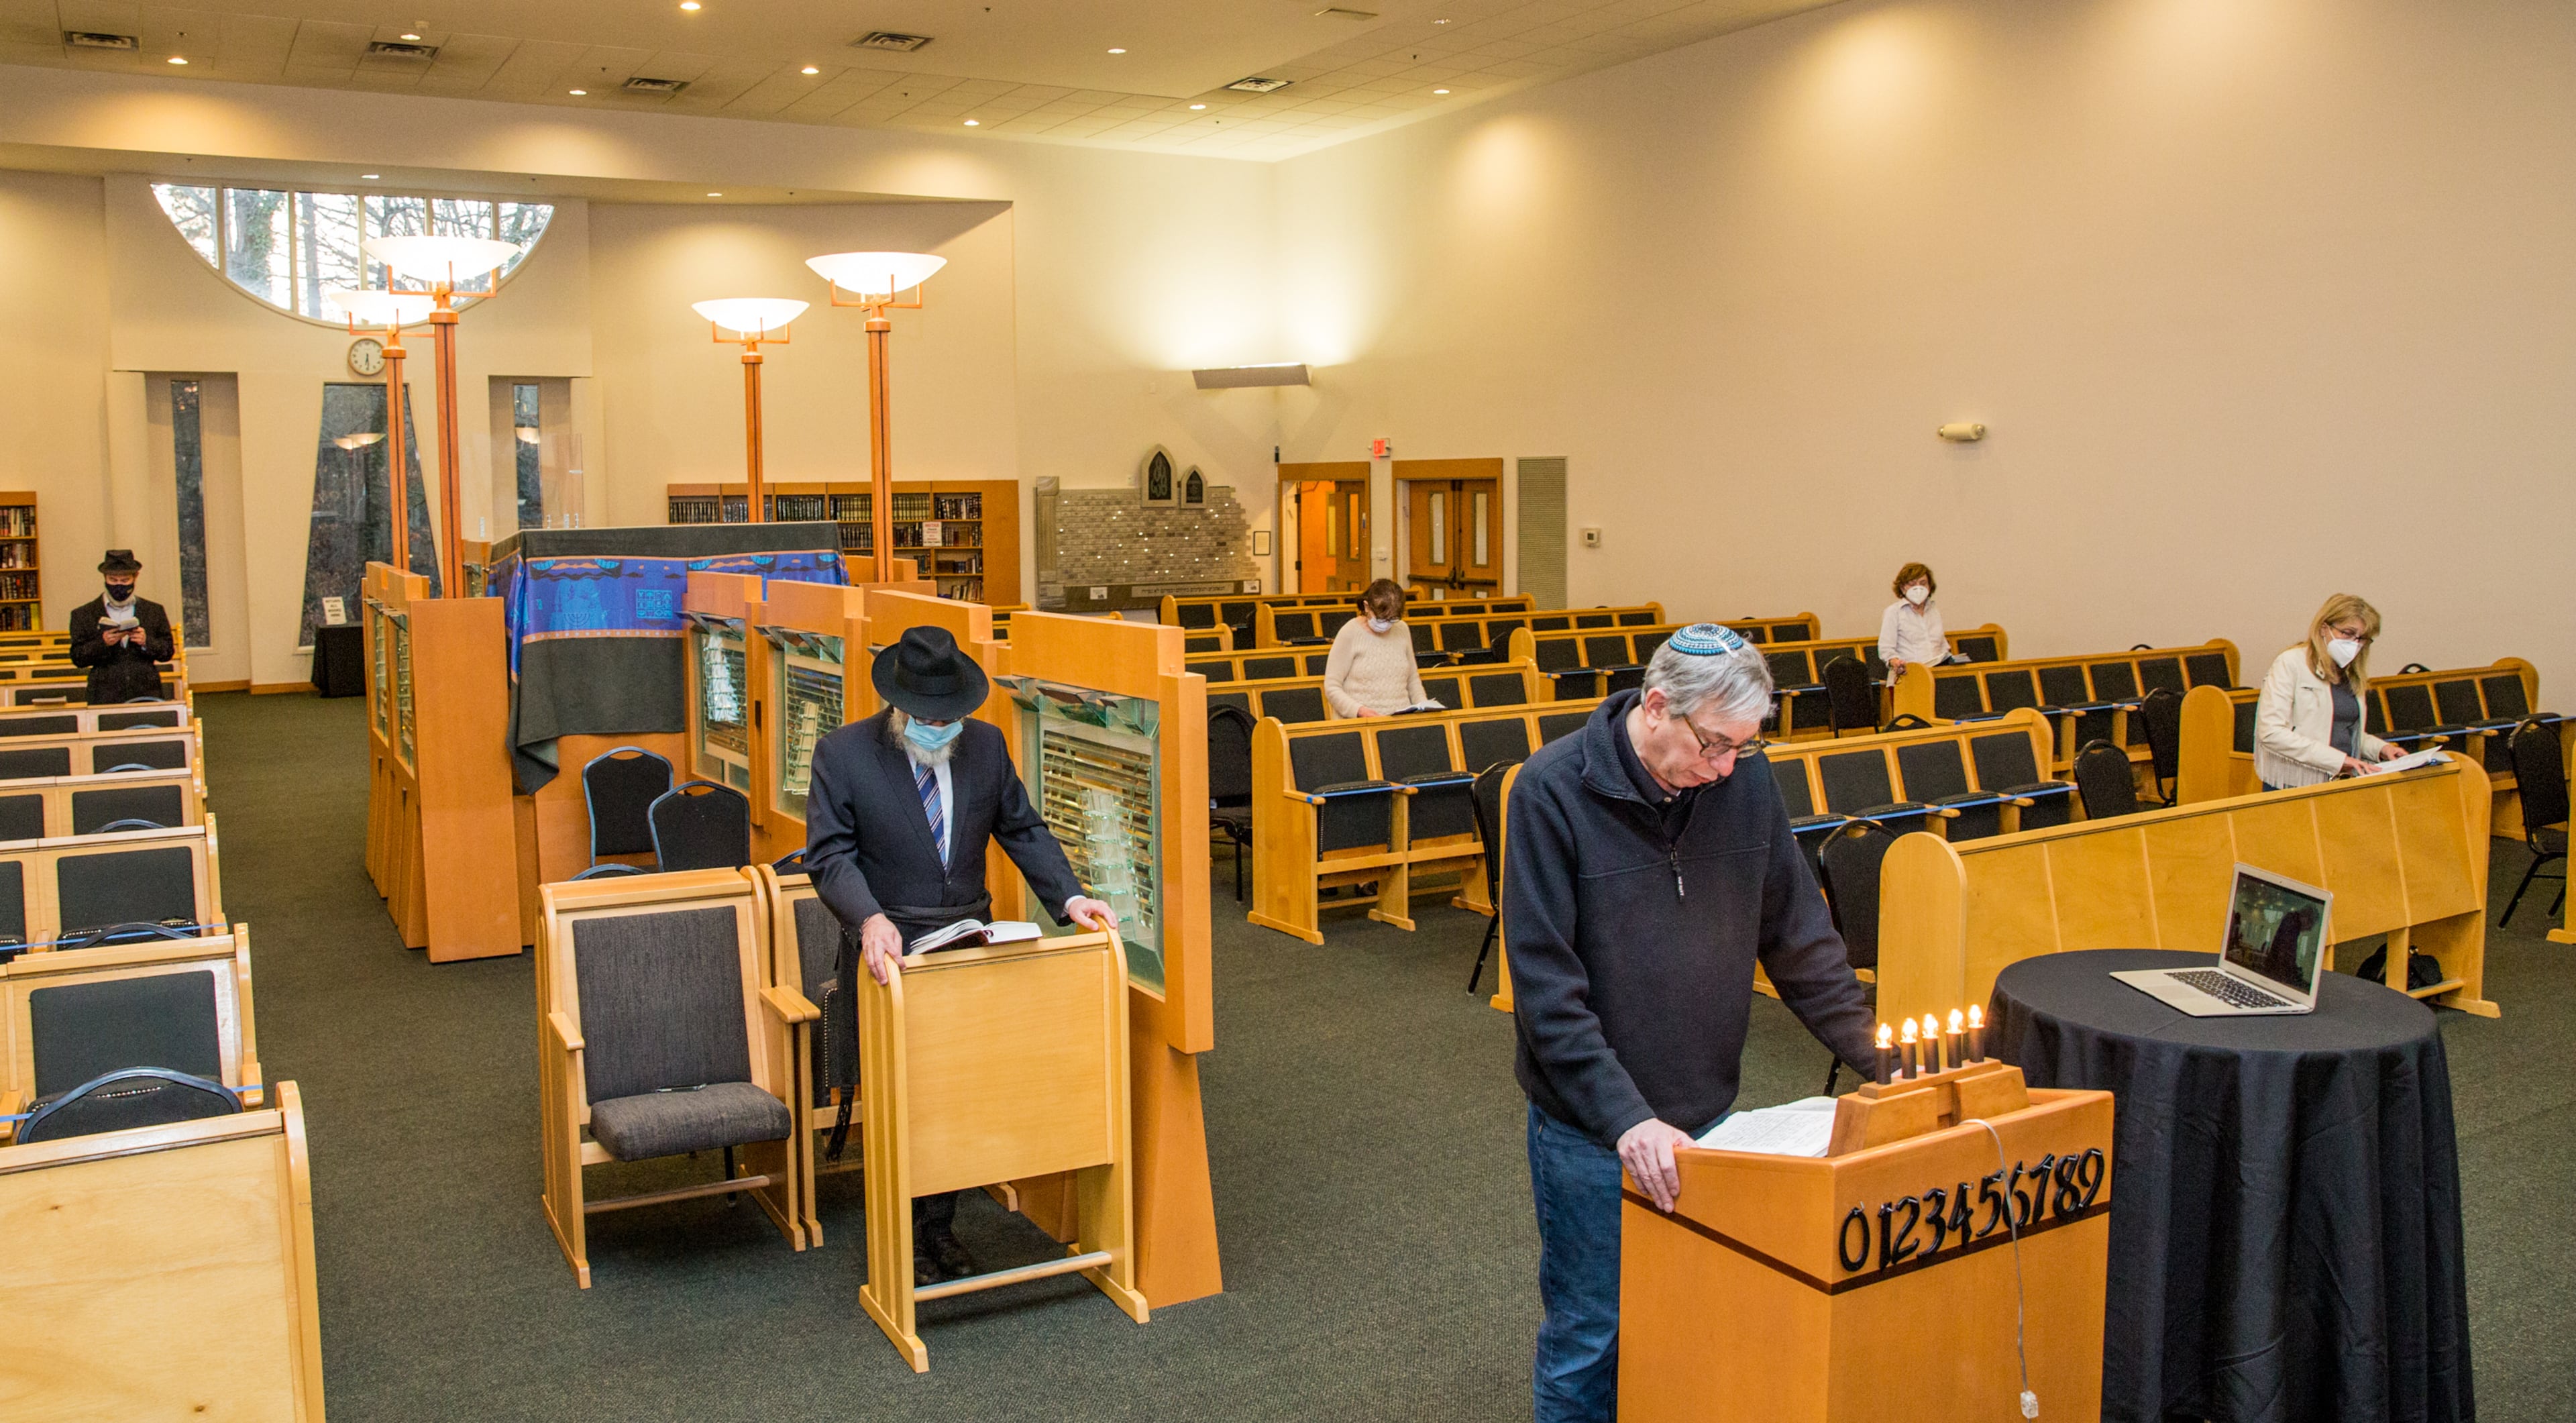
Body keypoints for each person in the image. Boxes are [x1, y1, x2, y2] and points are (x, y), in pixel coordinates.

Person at [1504, 623, 1877, 1423]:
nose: (1726, 767)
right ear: (1656, 707)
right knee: (1593, 1338)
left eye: (1744, 746)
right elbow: (1546, 993)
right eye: (1714, 745)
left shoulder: (1744, 782)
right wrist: (1625, 1119)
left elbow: (1798, 939)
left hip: (1711, 1117)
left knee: (1692, 1321)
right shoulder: (1550, 791)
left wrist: (1885, 1059)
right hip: (1594, 1131)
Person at [802, 625, 1119, 1287]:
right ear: (899, 705)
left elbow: (1023, 829)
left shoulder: (987, 747)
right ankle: (902, 1237)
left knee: (958, 1092)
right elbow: (829, 856)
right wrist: (870, 919)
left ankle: (939, 1229)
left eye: (950, 718)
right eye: (928, 718)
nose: (940, 728)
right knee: (903, 1099)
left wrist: (1071, 899)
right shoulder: (844, 754)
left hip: (968, 949)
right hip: (890, 951)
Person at [2253, 593, 2403, 790]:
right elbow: (2271, 732)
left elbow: (2343, 730)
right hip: (2296, 781)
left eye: (2362, 638)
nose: (2355, 644)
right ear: (2325, 628)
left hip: (2341, 779)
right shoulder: (2291, 663)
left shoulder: (2350, 673)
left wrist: (2382, 749)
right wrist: (2339, 760)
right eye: (2347, 633)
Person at [68, 549, 175, 704]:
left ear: (135, 577)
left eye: (125, 580)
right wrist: (103, 643)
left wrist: (146, 642)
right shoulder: (84, 614)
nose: (119, 585)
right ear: (105, 578)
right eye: (113, 580)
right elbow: (78, 658)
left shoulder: (153, 611)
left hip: (146, 691)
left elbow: (167, 652)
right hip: (104, 695)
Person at [1323, 578, 1432, 718]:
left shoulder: (1402, 629)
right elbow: (1332, 686)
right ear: (1367, 607)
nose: (1386, 624)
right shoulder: (1349, 632)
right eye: (1381, 618)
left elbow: (1413, 679)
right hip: (1360, 721)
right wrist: (1359, 711)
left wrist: (1423, 705)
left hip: (1400, 720)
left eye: (1392, 619)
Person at [1876, 561, 1951, 674]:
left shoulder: (1934, 611)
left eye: (1923, 583)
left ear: (1929, 587)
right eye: (1912, 584)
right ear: (1903, 588)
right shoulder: (1894, 612)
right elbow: (1886, 649)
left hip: (1936, 672)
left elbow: (1942, 646)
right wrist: (1895, 662)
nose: (1918, 588)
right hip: (1909, 673)